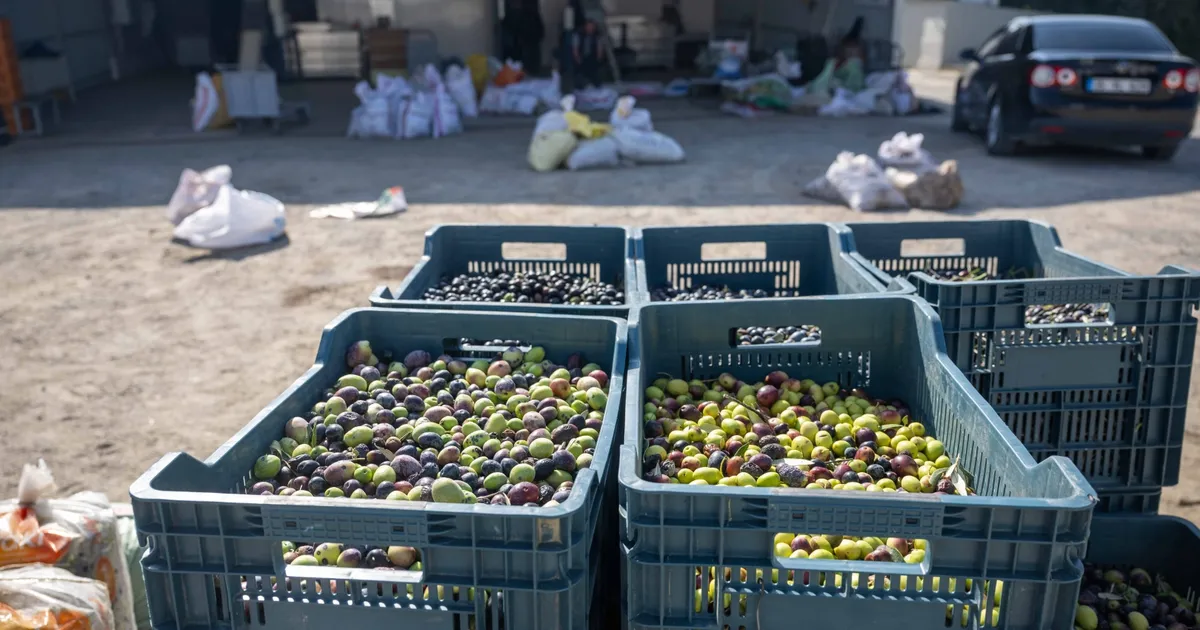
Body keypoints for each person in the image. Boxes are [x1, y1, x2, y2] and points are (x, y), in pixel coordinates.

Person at [573, 19, 605, 88]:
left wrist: (598, 59)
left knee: (595, 75)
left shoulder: (597, 36)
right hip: (581, 58)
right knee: (580, 76)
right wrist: (578, 59)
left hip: (592, 58)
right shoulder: (578, 35)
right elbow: (575, 48)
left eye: (592, 26)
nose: (590, 28)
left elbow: (599, 48)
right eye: (588, 26)